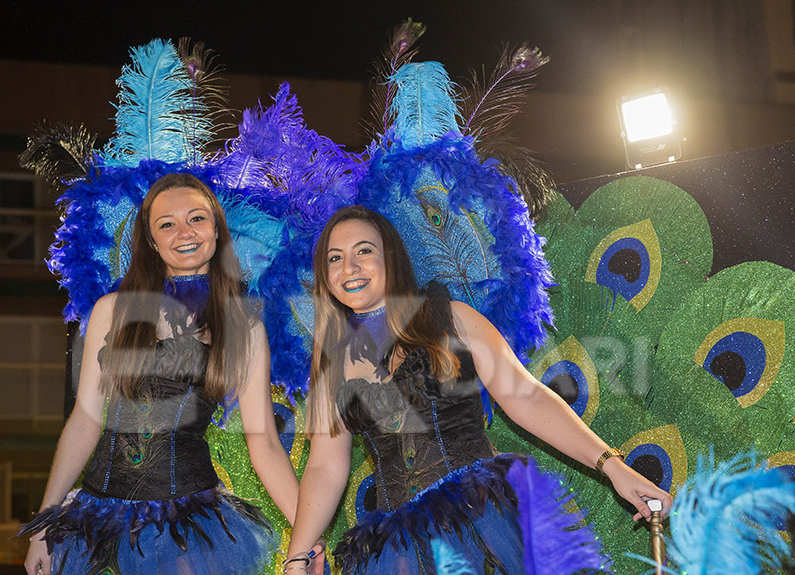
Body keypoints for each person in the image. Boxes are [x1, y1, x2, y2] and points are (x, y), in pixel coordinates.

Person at [284, 205, 673, 575]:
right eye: (334, 258)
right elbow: (324, 465)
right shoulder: (329, 362)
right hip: (402, 555)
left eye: (363, 251)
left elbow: (527, 396)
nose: (349, 267)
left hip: (485, 521)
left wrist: (612, 466)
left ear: (391, 257)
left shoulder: (451, 318)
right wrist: (295, 559)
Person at [22, 173, 299, 575]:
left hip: (190, 531)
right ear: (151, 242)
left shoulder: (245, 325)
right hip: (97, 528)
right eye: (166, 224)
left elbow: (265, 444)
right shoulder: (112, 310)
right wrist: (43, 526)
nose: (183, 232)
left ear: (218, 230)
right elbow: (85, 420)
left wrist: (308, 539)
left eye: (196, 219)